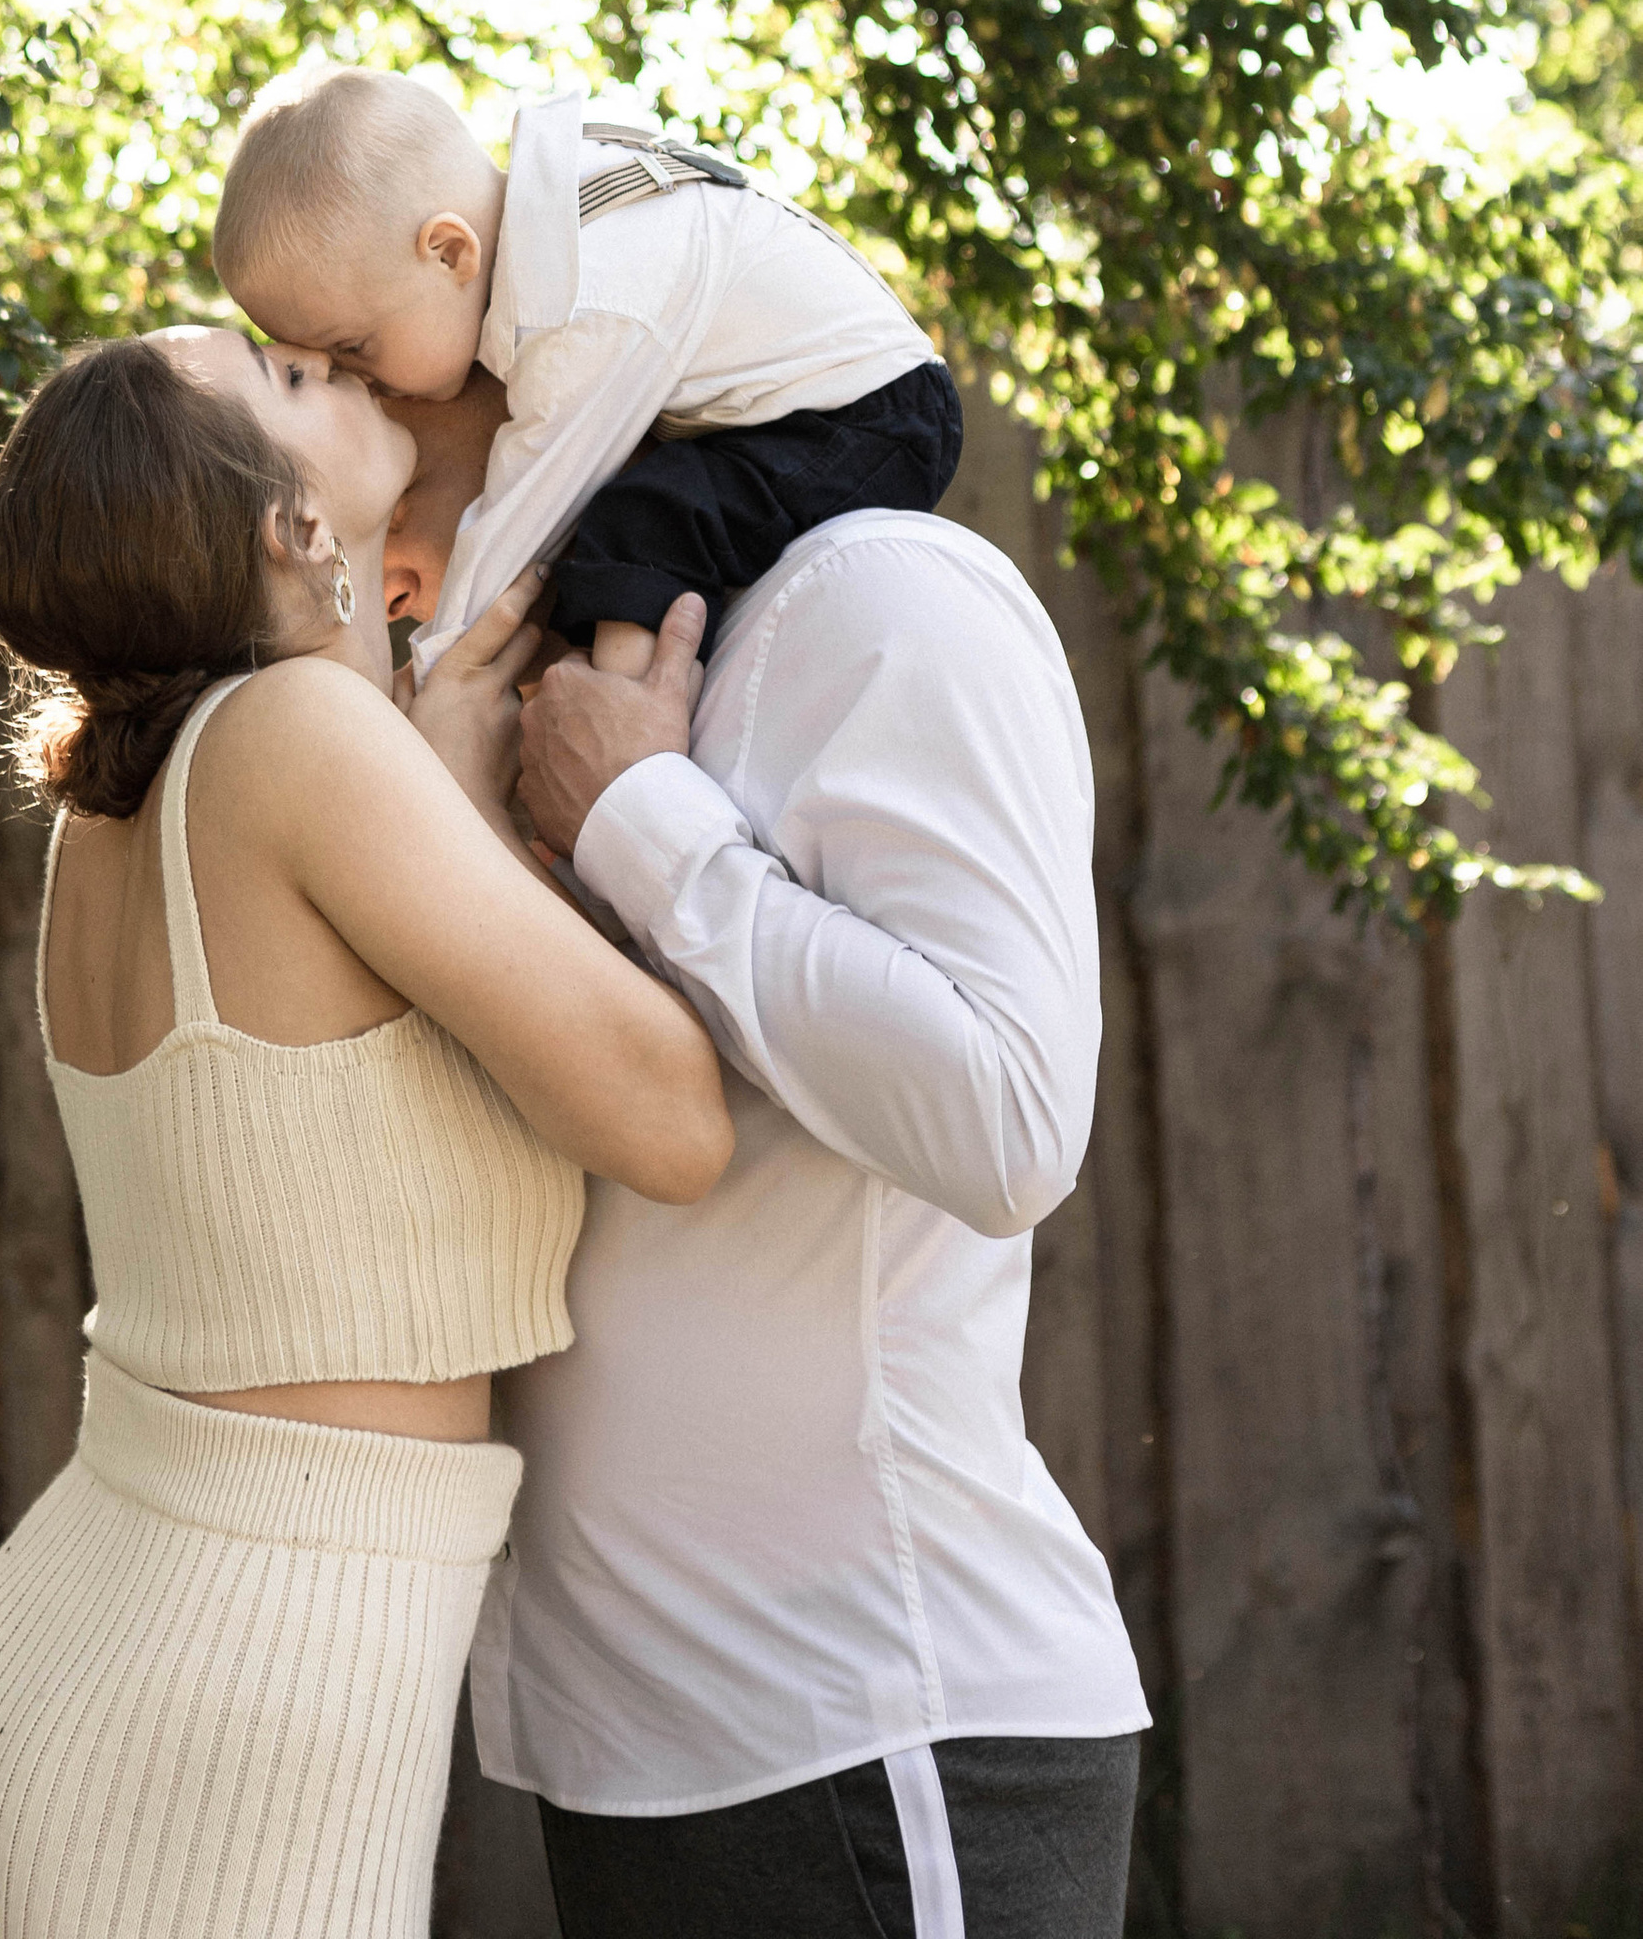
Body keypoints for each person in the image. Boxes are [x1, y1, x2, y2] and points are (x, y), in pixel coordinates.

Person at [0, 326, 733, 1939]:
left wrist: (449, 786)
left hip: (110, 1643)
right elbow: (678, 1121)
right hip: (237, 1677)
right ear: (290, 529)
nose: (314, 356)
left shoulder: (122, 810)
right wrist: (636, 804)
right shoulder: (294, 746)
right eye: (279, 383)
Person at [385, 399, 1151, 1939]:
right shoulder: (494, 718)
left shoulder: (881, 601)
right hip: (634, 1749)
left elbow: (1010, 1124)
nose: (338, 404)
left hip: (868, 1724)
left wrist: (643, 823)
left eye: (351, 356)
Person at [213, 68, 961, 686]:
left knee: (645, 522)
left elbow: (520, 516)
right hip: (836, 400)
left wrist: (442, 671)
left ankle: (628, 711)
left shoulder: (582, 302)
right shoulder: (566, 215)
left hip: (870, 416)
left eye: (356, 348)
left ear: (448, 253)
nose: (367, 384)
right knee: (655, 514)